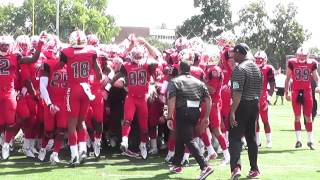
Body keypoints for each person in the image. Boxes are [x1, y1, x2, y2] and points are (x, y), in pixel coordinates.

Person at [166, 49, 213, 180]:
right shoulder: (199, 82)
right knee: (182, 136)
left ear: (180, 69)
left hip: (183, 111)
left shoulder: (175, 81)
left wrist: (169, 116)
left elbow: (172, 99)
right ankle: (177, 164)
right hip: (195, 112)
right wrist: (206, 116)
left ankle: (205, 166)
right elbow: (209, 99)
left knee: (188, 139)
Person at [229, 43, 263, 179]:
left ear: (239, 53)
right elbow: (260, 89)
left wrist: (232, 112)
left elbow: (237, 93)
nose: (232, 56)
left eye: (234, 53)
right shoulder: (256, 68)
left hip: (241, 105)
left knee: (235, 137)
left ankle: (236, 167)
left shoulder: (239, 69)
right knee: (251, 137)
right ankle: (254, 169)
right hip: (254, 104)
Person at [284, 47, 319, 150]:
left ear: (307, 56)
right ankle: (298, 140)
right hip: (295, 91)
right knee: (297, 116)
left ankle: (310, 141)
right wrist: (286, 92)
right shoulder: (292, 62)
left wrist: (318, 85)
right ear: (296, 55)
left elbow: (316, 77)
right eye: (300, 55)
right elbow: (287, 79)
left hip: (307, 92)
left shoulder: (312, 63)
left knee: (308, 116)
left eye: (303, 56)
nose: (301, 57)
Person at [254, 50, 275, 148]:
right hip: (252, 97)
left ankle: (269, 140)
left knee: (265, 120)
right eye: (256, 59)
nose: (258, 61)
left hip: (263, 97)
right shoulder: (251, 68)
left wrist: (269, 96)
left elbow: (272, 84)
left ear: (264, 59)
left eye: (260, 59)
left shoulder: (268, 68)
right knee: (255, 121)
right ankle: (257, 141)